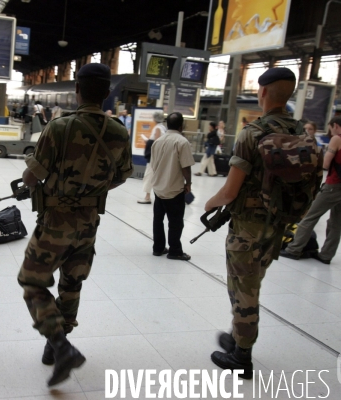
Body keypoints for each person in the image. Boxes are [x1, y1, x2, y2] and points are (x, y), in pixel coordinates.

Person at [18, 63, 133, 387]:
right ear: (107, 93)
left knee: (32, 282)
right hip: (89, 222)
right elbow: (123, 175)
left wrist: (36, 182)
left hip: (56, 221)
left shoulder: (59, 127)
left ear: (77, 90)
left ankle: (61, 345)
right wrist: (91, 191)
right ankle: (55, 346)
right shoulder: (119, 131)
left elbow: (33, 175)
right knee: (72, 283)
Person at [204, 67, 323, 379]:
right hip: (278, 224)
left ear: (263, 92)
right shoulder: (302, 133)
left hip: (247, 228)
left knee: (244, 289)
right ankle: (237, 335)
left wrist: (209, 203)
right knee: (251, 283)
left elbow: (230, 191)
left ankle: (242, 355)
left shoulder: (252, 133)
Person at [280, 116, 341, 265]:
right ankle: (326, 255)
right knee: (336, 222)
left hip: (333, 186)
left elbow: (326, 164)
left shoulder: (338, 138)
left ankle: (293, 249)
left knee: (309, 217)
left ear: (334, 125)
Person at [150, 112, 194, 260]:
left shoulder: (158, 141)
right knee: (175, 221)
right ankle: (175, 250)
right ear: (182, 126)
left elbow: (154, 164)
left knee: (158, 219)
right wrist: (188, 183)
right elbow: (186, 166)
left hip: (158, 187)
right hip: (174, 188)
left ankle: (158, 248)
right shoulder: (182, 142)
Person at [138, 111, 166, 204]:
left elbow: (157, 141)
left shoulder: (157, 128)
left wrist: (148, 141)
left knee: (149, 174)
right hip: (160, 156)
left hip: (154, 156)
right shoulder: (163, 127)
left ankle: (147, 197)